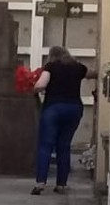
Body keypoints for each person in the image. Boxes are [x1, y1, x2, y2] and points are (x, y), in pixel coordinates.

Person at [31, 46, 97, 195]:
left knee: (45, 145)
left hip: (53, 109)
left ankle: (41, 182)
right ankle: (61, 184)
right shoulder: (78, 67)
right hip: (74, 109)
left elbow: (41, 84)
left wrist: (34, 89)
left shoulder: (50, 66)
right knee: (64, 145)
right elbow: (93, 74)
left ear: (51, 56)